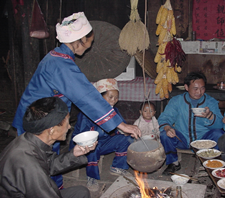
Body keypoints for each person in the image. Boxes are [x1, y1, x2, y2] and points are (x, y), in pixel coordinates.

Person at [11, 12, 141, 188]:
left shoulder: (59, 57)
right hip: (37, 119)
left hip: (46, 116)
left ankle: (54, 188)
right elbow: (86, 95)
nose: (89, 46)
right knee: (38, 163)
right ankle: (49, 190)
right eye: (89, 41)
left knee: (47, 158)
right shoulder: (60, 64)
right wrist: (122, 125)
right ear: (80, 40)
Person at [0, 97, 97, 198]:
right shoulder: (29, 164)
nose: (69, 127)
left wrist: (74, 154)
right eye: (67, 122)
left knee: (81, 192)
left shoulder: (30, 140)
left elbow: (49, 164)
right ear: (51, 130)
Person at [69, 79, 133, 190]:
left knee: (125, 140)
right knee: (93, 146)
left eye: (116, 98)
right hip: (83, 146)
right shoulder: (87, 112)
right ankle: (91, 177)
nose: (113, 101)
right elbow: (84, 136)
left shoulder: (114, 111)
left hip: (103, 142)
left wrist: (128, 131)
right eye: (110, 97)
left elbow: (122, 126)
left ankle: (117, 167)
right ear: (99, 97)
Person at [158, 72, 224, 175]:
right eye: (195, 88)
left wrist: (210, 116)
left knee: (219, 134)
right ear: (186, 87)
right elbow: (164, 118)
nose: (199, 92)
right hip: (182, 139)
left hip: (203, 140)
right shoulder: (176, 101)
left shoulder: (211, 102)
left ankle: (209, 161)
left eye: (202, 88)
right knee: (164, 134)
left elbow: (220, 124)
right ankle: (173, 163)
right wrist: (167, 128)